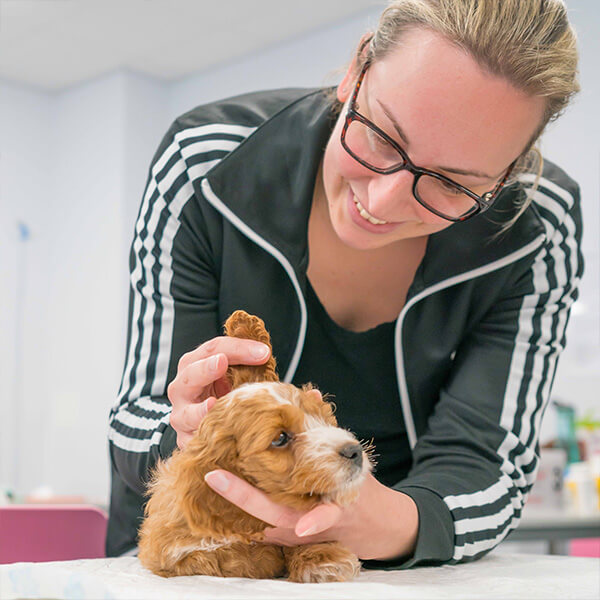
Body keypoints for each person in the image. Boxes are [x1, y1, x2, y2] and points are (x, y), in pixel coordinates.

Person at [107, 0, 583, 567]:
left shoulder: (537, 226)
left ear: (507, 175)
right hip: (200, 554)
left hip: (385, 569)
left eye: (454, 186)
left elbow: (490, 465)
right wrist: (180, 430)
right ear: (356, 72)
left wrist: (399, 525)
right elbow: (136, 415)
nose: (381, 203)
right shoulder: (204, 163)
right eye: (381, 135)